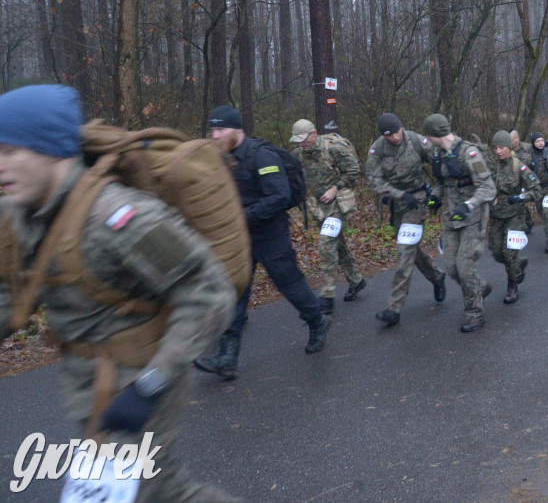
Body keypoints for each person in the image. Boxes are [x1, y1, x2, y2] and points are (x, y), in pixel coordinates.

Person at [0, 85, 239, 501]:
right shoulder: (23, 214)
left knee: (147, 494)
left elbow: (208, 290)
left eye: (9, 150)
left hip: (140, 379)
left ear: (51, 149)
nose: (0, 164)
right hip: (90, 386)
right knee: (165, 493)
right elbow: (13, 296)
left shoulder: (119, 218)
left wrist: (151, 383)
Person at [197, 106, 330, 379]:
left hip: (269, 235)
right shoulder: (222, 158)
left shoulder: (261, 155)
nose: (216, 136)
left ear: (237, 130)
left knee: (289, 284)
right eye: (213, 130)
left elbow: (280, 196)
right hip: (240, 238)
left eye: (220, 130)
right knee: (235, 291)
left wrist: (242, 215)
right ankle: (228, 357)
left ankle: (317, 321)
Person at [364, 114, 447, 326]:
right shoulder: (378, 149)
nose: (394, 137)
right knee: (412, 250)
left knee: (404, 251)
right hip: (397, 203)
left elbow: (440, 163)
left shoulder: (417, 140)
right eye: (388, 135)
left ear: (401, 127)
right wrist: (399, 195)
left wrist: (437, 192)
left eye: (396, 132)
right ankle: (437, 276)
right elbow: (374, 180)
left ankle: (394, 308)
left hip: (417, 202)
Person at [423, 114, 496, 332]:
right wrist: (435, 196)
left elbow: (488, 187)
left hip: (472, 218)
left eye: (428, 134)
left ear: (437, 134)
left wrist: (469, 204)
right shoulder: (438, 154)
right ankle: (479, 287)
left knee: (464, 266)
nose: (426, 139)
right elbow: (441, 181)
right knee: (452, 267)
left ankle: (474, 313)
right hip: (451, 218)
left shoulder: (469, 153)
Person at [290, 119, 365, 313]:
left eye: (303, 139)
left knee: (326, 243)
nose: (300, 144)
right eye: (297, 141)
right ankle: (356, 281)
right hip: (319, 207)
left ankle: (328, 295)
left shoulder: (333, 148)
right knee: (337, 244)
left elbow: (354, 170)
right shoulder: (298, 153)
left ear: (313, 133)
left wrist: (336, 188)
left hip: (338, 203)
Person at [487, 131, 543, 304]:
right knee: (497, 253)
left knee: (509, 252)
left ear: (509, 147)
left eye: (501, 147)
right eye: (495, 147)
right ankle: (518, 266)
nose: (498, 151)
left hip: (515, 215)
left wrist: (521, 197)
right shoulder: (490, 165)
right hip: (496, 215)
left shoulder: (519, 166)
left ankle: (513, 285)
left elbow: (537, 190)